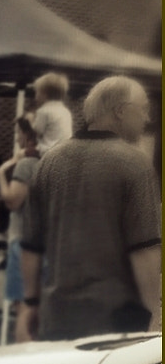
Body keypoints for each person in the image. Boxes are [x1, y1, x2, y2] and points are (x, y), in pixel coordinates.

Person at [20, 75, 161, 340]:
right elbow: (144, 249)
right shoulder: (135, 164)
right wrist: (156, 314)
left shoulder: (49, 161)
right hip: (117, 322)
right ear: (120, 111)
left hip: (58, 315)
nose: (147, 118)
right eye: (143, 109)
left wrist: (31, 304)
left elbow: (30, 245)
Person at [0, 117, 41, 340]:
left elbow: (12, 201)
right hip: (44, 241)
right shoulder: (53, 161)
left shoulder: (26, 164)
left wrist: (2, 173)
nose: (16, 138)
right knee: (37, 307)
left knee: (22, 307)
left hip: (22, 240)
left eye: (18, 133)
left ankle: (21, 358)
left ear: (28, 135)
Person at [29, 72, 73, 152]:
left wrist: (31, 120)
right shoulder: (65, 111)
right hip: (64, 150)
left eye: (37, 92)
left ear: (44, 95)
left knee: (22, 154)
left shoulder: (43, 111)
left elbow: (38, 131)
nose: (35, 95)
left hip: (48, 150)